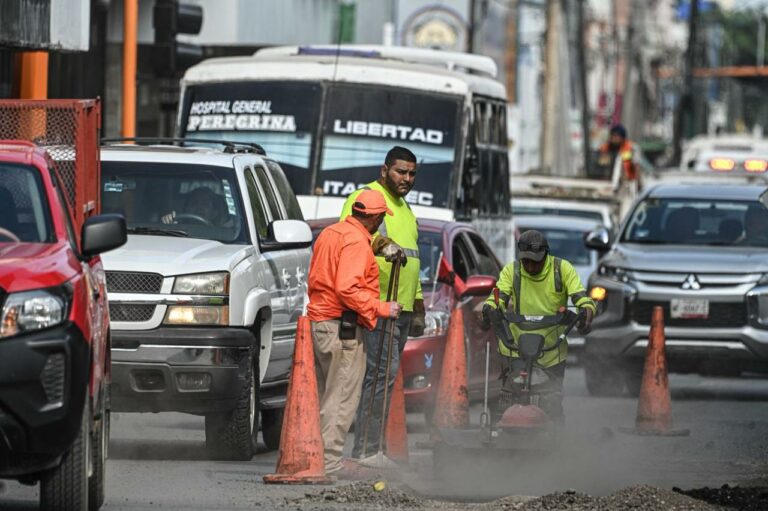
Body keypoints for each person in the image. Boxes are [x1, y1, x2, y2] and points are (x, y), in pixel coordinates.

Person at [307, 189, 403, 478]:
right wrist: (382, 308)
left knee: (326, 396)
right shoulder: (357, 244)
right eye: (380, 219)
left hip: (321, 322)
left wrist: (376, 247)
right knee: (342, 398)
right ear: (373, 218)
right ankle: (330, 462)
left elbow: (336, 266)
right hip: (343, 328)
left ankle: (316, 458)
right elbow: (347, 287)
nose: (380, 224)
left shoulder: (331, 233)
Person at [339, 146, 425, 458]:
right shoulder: (368, 197)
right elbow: (348, 234)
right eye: (401, 171)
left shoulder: (406, 209)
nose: (407, 178)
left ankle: (373, 447)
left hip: (399, 309)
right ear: (384, 170)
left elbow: (413, 260)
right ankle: (366, 450)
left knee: (385, 381)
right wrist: (381, 243)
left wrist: (418, 306)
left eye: (412, 173)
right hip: (377, 307)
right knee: (378, 379)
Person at [481, 229, 596, 424]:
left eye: (536, 261)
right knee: (508, 397)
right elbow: (498, 297)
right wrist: (490, 309)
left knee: (551, 401)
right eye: (526, 261)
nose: (530, 266)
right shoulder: (512, 271)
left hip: (550, 351)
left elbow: (581, 297)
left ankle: (555, 437)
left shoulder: (562, 269)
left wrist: (586, 311)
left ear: (546, 255)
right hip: (516, 348)